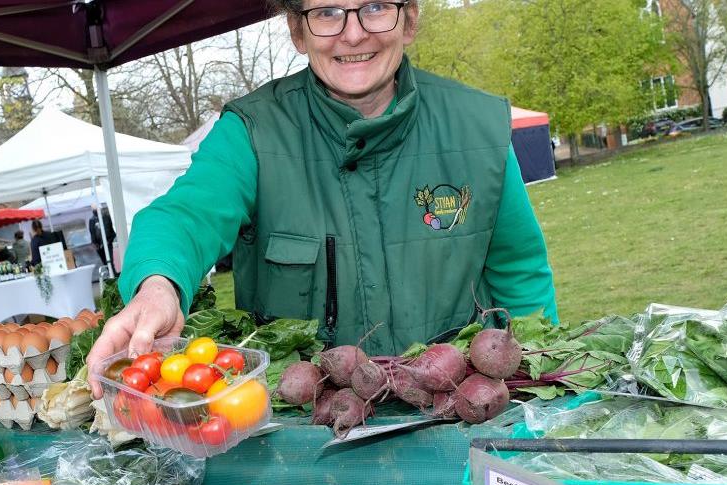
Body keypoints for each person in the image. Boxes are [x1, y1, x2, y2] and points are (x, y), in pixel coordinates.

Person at [87, 0, 557, 396]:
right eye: (328, 12)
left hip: (454, 417)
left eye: (375, 7)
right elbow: (183, 216)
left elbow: (521, 275)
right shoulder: (253, 132)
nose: (353, 35)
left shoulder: (476, 128)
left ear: (410, 20)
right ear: (297, 30)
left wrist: (536, 388)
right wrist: (157, 285)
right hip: (307, 440)